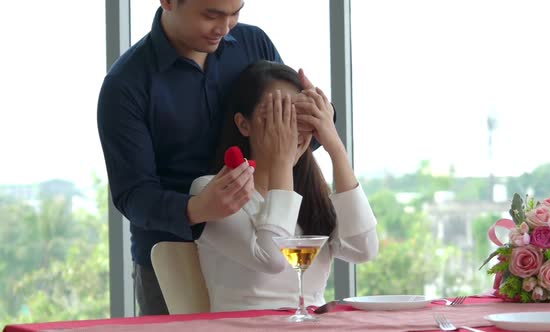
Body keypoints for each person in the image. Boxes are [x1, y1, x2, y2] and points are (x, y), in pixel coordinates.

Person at [97, 0, 318, 316]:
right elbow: (132, 195)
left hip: (260, 245)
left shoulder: (254, 43)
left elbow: (288, 140)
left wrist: (319, 117)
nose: (225, 27)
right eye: (211, 15)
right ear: (168, 2)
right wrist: (196, 209)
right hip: (174, 256)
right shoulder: (126, 85)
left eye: (235, 12)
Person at [190, 60, 378, 312]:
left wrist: (334, 145)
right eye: (278, 116)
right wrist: (282, 162)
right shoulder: (212, 190)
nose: (290, 128)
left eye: (298, 116)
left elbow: (363, 249)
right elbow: (273, 258)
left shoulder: (311, 193)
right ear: (243, 124)